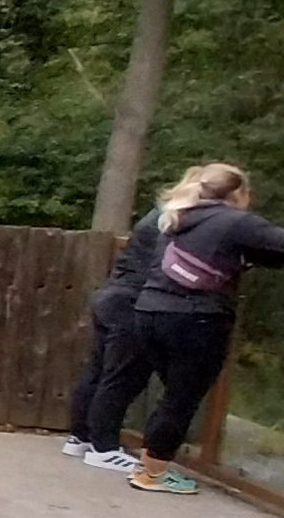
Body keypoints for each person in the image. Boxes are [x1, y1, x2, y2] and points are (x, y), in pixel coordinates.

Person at [85, 162, 284, 495]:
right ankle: (152, 474)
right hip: (196, 319)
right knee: (180, 399)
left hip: (150, 311)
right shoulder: (234, 220)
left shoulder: (180, 214)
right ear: (239, 193)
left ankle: (150, 465)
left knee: (172, 397)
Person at [61, 199, 164, 471]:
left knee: (97, 371)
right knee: (122, 377)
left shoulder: (158, 213)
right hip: (135, 301)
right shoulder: (180, 220)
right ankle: (103, 447)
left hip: (112, 294)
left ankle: (80, 436)